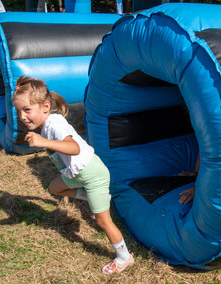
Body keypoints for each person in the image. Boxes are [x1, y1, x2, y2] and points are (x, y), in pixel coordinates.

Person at [12, 76, 135, 274]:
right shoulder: (45, 124)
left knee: (103, 221)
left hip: (92, 173)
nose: (23, 117)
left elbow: (74, 148)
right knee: (54, 188)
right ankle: (94, 198)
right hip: (75, 173)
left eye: (27, 110)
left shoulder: (54, 124)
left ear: (45, 107)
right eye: (19, 111)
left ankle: (124, 257)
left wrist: (44, 142)